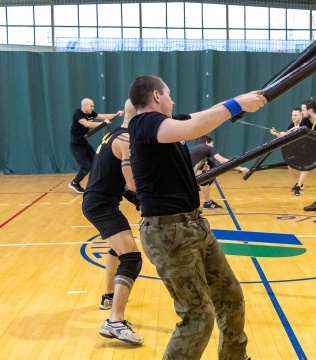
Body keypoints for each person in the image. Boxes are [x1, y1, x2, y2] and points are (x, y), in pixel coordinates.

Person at [127, 75, 265, 360]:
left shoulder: (166, 124)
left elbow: (200, 116)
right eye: (169, 94)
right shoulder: (143, 124)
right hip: (169, 233)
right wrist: (237, 103)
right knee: (198, 317)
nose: (172, 100)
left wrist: (240, 104)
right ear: (156, 96)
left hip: (194, 225)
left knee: (230, 298)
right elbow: (193, 128)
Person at [81, 99, 143, 344]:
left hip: (99, 201)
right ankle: (115, 321)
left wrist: (134, 199)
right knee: (132, 258)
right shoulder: (127, 140)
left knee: (117, 250)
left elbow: (112, 177)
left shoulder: (111, 135)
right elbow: (132, 183)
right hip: (101, 205)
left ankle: (108, 297)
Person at [69, 98, 123, 193]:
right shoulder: (78, 113)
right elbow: (87, 124)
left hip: (83, 142)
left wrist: (117, 114)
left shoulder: (90, 113)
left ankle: (96, 183)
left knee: (96, 161)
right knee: (87, 167)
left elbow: (104, 116)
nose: (92, 108)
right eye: (91, 106)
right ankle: (74, 183)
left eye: (93, 106)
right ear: (85, 105)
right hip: (76, 145)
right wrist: (103, 123)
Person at [190, 135, 249, 209]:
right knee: (203, 175)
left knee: (201, 173)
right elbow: (223, 161)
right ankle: (206, 202)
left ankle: (208, 203)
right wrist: (240, 168)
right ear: (207, 143)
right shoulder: (208, 148)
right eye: (212, 144)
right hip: (185, 176)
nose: (212, 146)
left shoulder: (196, 150)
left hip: (181, 173)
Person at [270, 107, 312, 196]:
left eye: (296, 115)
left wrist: (285, 134)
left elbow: (298, 132)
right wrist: (276, 133)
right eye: (292, 115)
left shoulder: (306, 124)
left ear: (301, 115)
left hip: (309, 150)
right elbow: (285, 137)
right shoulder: (292, 125)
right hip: (297, 150)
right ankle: (299, 184)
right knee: (290, 166)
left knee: (305, 166)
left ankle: (298, 187)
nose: (293, 117)